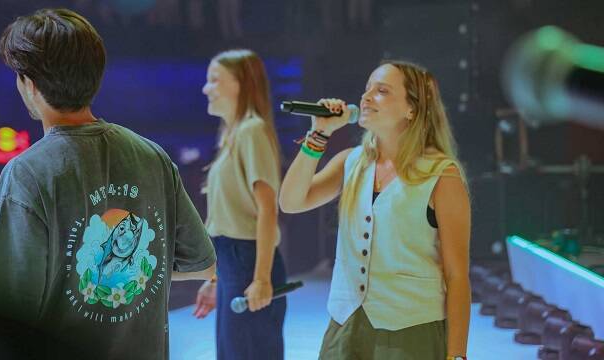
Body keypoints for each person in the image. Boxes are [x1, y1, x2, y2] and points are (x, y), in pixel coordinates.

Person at [0, 8, 216, 360]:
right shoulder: (152, 156)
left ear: (30, 84)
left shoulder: (27, 173)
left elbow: (4, 316)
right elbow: (202, 263)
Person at [280, 60, 471, 360]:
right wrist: (319, 134)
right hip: (345, 323)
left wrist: (457, 355)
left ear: (412, 109)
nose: (366, 97)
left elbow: (457, 275)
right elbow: (290, 202)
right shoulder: (351, 162)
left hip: (411, 331)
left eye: (381, 91)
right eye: (367, 89)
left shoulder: (441, 175)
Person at [193, 49, 287, 360]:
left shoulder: (252, 130)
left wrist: (261, 278)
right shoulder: (232, 135)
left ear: (241, 84)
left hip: (248, 260)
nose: (207, 88)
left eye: (214, 80)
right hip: (233, 260)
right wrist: (215, 280)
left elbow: (267, 208)